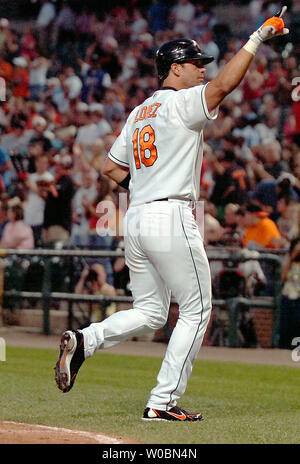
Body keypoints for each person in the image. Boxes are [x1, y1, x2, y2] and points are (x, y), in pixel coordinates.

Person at [55, 9, 289, 421]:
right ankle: (161, 403)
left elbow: (110, 168)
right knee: (197, 310)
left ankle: (85, 339)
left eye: (203, 65)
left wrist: (142, 188)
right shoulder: (181, 104)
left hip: (138, 217)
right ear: (175, 69)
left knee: (151, 311)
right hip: (171, 214)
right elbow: (223, 87)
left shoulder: (139, 111)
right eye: (196, 64)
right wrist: (258, 37)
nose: (202, 70)